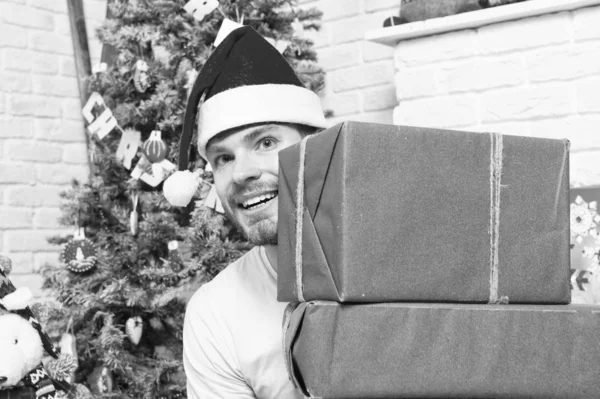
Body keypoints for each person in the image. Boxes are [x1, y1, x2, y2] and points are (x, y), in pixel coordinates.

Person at [163, 26, 327, 398]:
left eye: (265, 142)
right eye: (223, 158)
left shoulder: (398, 256)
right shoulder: (216, 314)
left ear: (317, 147)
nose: (241, 173)